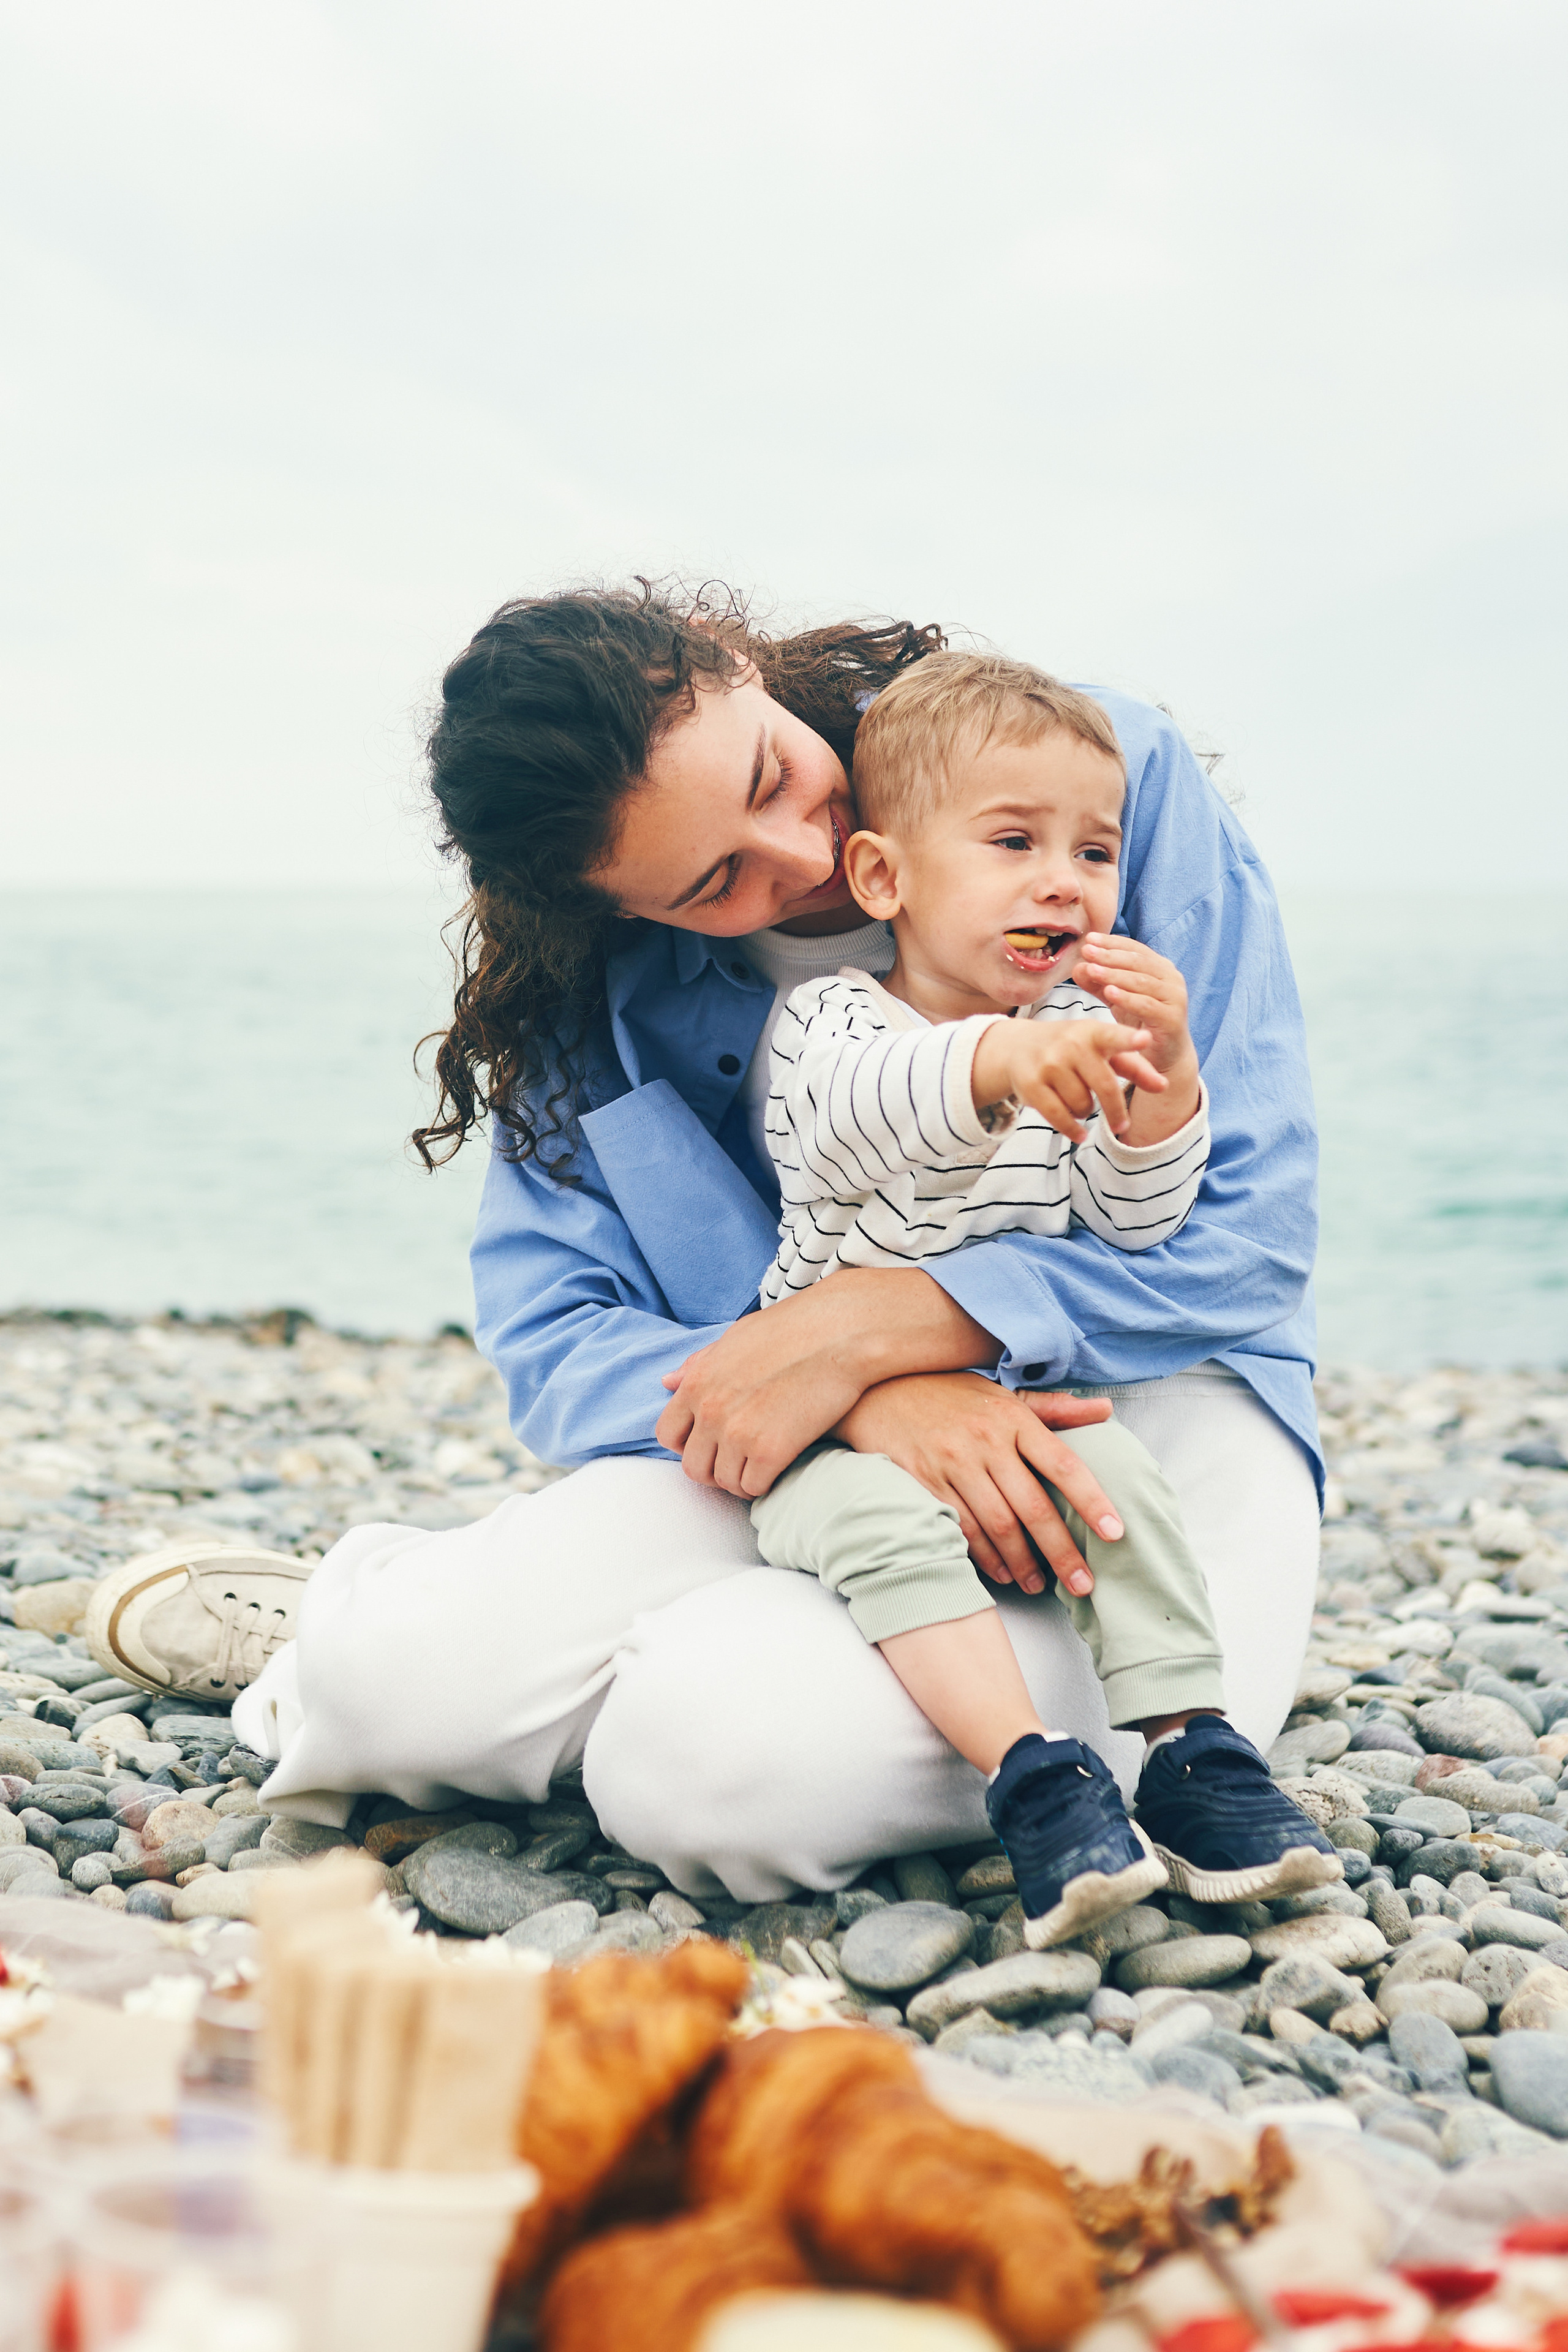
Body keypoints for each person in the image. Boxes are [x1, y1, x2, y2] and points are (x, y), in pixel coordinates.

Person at [84, 585, 1324, 1908]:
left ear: (735, 664)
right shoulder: (592, 989)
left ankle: (574, 1674)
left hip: (1138, 1404)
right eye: (712, 881)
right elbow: (560, 1348)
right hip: (787, 1442)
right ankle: (376, 1629)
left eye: (772, 773)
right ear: (613, 904)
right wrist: (864, 1396)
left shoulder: (1088, 773)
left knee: (714, 1771)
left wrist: (882, 1332)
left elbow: (1239, 1249)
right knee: (379, 1688)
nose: (798, 852)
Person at [747, 649, 1338, 1940]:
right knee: (876, 1535)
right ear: (884, 879)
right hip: (840, 1427)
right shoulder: (836, 1027)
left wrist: (1157, 1100)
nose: (1061, 882)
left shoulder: (1070, 1032)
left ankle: (1193, 1752)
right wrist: (1006, 1058)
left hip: (1013, 1403)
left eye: (1093, 853)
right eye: (1014, 842)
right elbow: (860, 1128)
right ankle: (1033, 1775)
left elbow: (1133, 1226)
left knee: (1115, 1483)